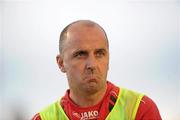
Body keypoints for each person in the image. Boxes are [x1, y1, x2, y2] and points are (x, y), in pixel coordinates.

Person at [32, 20, 162, 120]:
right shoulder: (43, 118)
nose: (92, 64)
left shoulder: (139, 108)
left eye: (100, 53)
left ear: (108, 58)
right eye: (81, 54)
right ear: (61, 63)